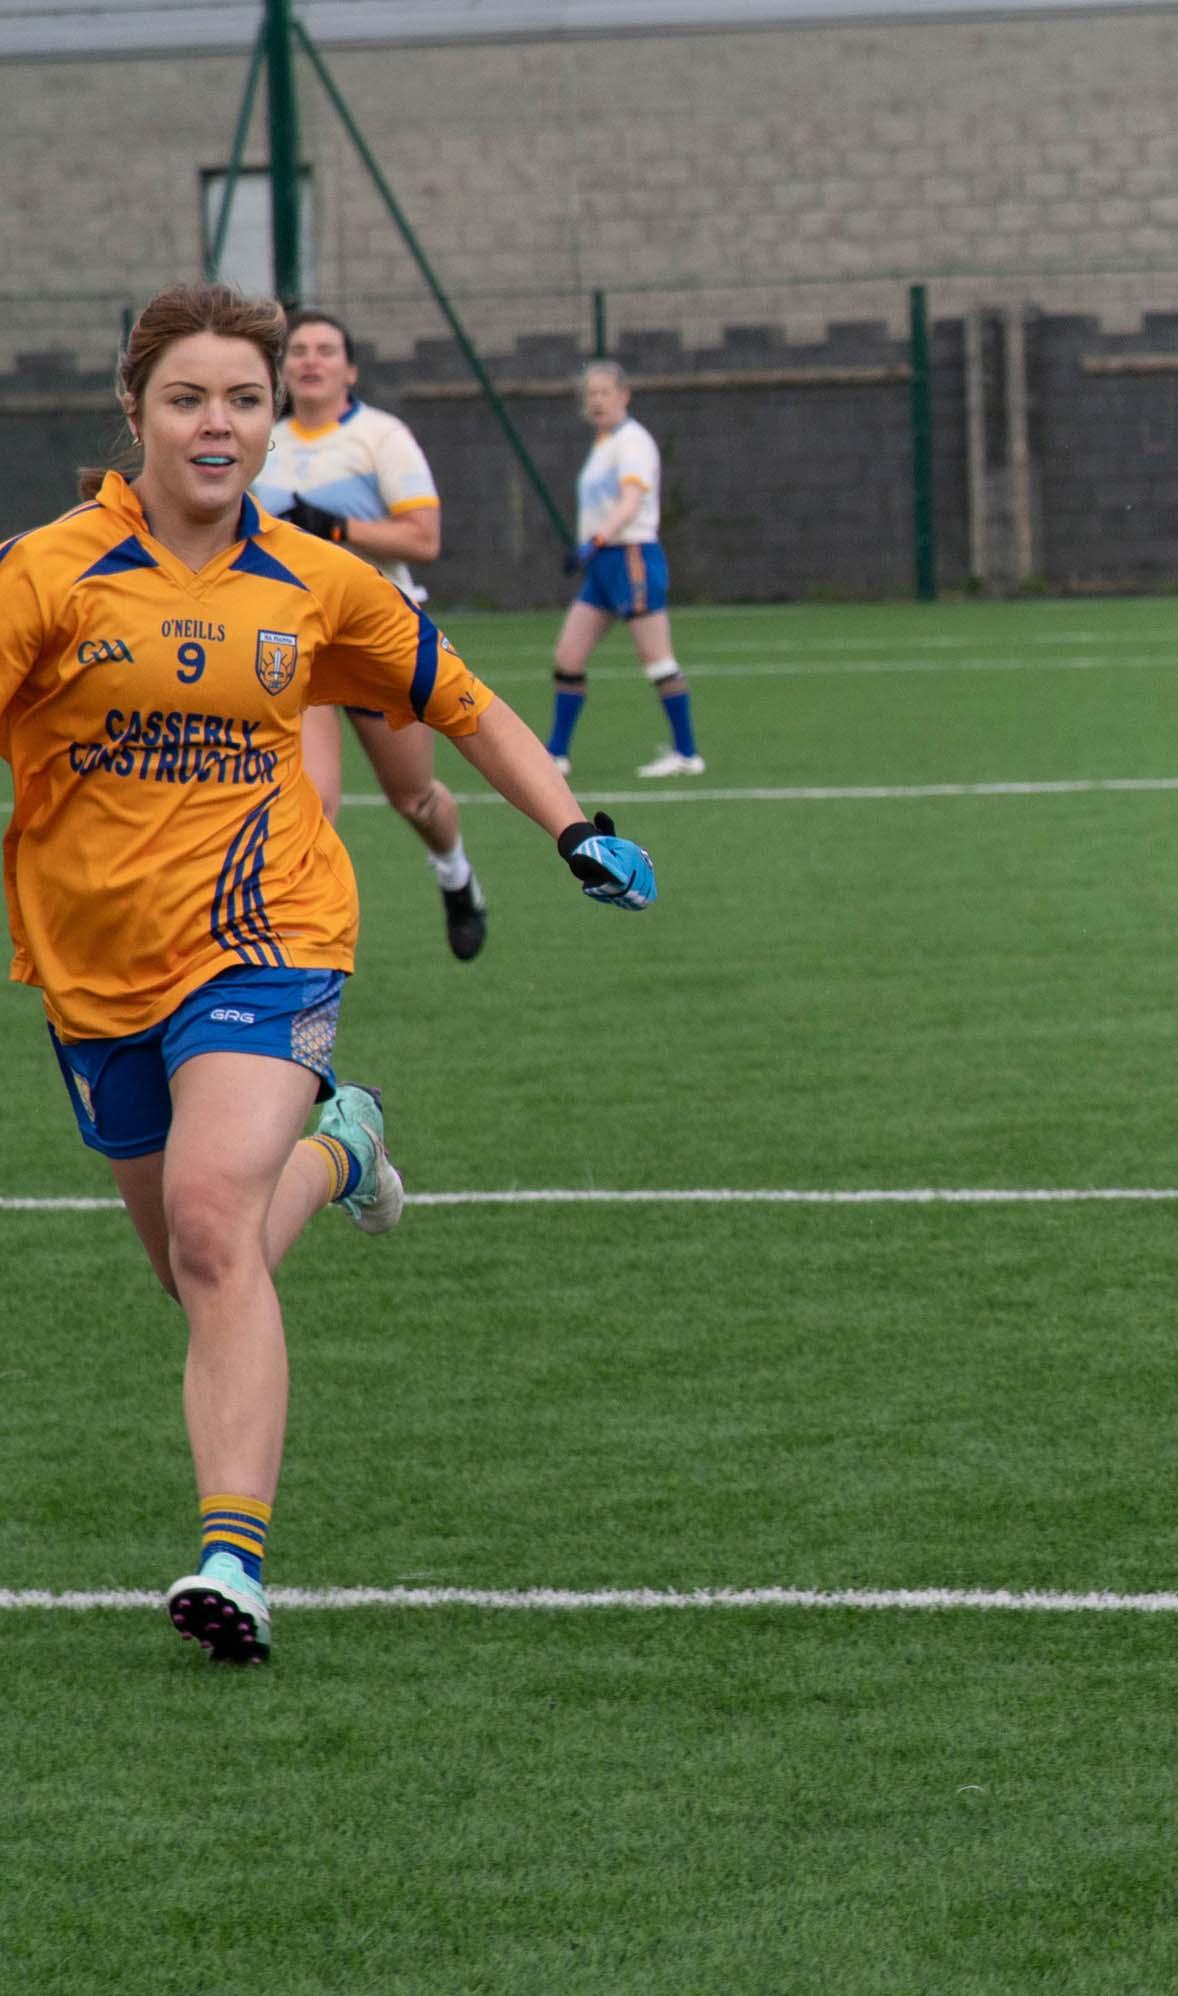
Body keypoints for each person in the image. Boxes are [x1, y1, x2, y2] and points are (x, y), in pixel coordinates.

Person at [0, 282, 659, 1666]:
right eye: (188, 397)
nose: (220, 421)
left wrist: (574, 828)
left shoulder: (314, 576)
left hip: (269, 932)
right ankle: (346, 1149)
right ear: (136, 414)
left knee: (207, 1228)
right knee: (202, 1274)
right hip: (91, 968)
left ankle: (231, 1560)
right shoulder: (46, 575)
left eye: (242, 397)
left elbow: (459, 697)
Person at [253, 308, 489, 959]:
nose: (310, 360)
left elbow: (424, 538)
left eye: (325, 349)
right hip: (294, 644)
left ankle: (455, 874)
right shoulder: (259, 442)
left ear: (349, 368)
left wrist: (336, 529)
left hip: (376, 636)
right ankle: (298, 955)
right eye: (298, 349)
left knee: (413, 799)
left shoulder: (382, 438)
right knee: (312, 807)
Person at [546, 361, 703, 778]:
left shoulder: (632, 441)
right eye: (590, 394)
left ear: (624, 395)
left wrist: (594, 542)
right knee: (568, 656)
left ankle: (687, 753)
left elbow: (631, 502)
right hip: (604, 563)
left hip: (630, 554)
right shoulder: (603, 445)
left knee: (656, 658)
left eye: (604, 392)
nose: (596, 400)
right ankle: (555, 755)